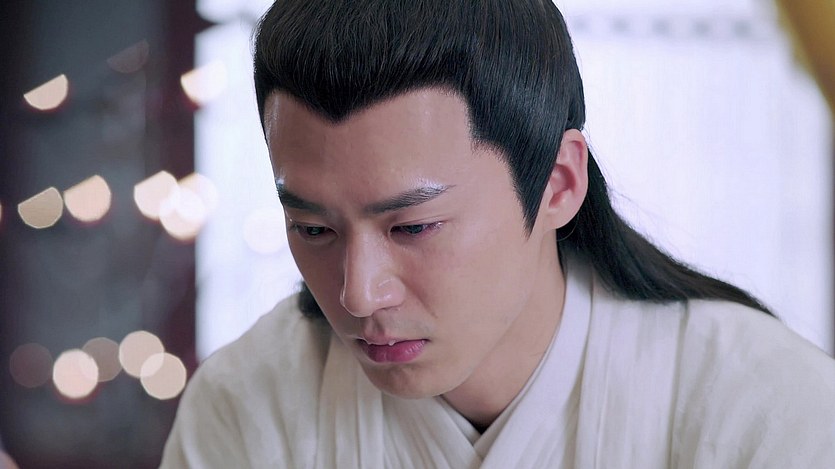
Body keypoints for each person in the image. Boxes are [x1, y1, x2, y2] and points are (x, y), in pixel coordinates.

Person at [161, 1, 835, 467]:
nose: (359, 293)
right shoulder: (248, 404)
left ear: (558, 183)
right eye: (313, 228)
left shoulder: (763, 405)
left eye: (414, 226)